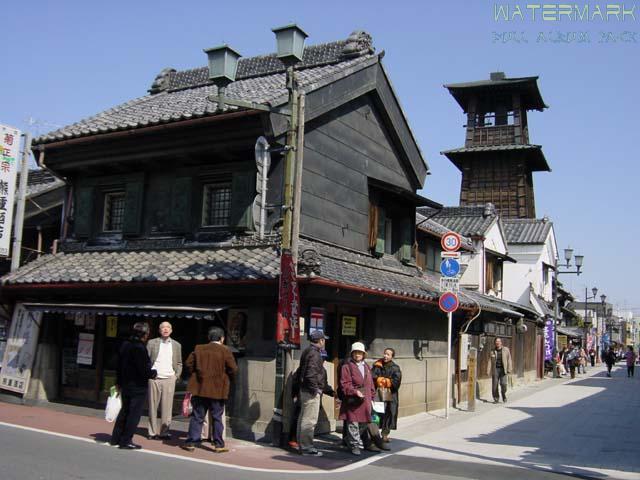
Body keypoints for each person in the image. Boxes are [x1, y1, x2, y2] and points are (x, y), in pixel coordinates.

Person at [182, 326, 237, 453]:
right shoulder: (225, 350)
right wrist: (228, 378)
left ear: (209, 337)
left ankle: (191, 442)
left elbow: (188, 363)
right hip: (218, 389)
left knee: (197, 416)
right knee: (217, 416)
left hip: (200, 388)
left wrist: (195, 374)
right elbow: (233, 369)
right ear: (222, 338)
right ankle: (218, 444)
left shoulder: (199, 348)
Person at [110, 322, 157, 449]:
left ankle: (116, 438)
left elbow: (118, 365)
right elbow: (143, 369)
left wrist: (118, 381)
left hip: (125, 383)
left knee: (124, 411)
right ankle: (126, 440)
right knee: (134, 414)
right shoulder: (140, 348)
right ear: (145, 334)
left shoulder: (125, 344)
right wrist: (153, 373)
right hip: (137, 385)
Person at [289, 348, 335, 450]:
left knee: (307, 420)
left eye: (324, 359)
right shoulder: (307, 367)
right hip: (306, 395)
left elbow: (324, 385)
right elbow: (298, 380)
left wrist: (332, 393)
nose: (323, 361)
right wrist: (295, 394)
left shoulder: (323, 371)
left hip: (315, 396)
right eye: (321, 358)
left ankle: (302, 443)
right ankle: (301, 443)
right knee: (303, 419)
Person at [296, 330, 329, 456]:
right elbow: (311, 375)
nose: (324, 342)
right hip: (310, 391)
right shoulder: (315, 354)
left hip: (304, 389)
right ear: (320, 340)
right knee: (309, 420)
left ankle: (302, 445)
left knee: (303, 418)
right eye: (323, 340)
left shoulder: (307, 351)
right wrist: (316, 390)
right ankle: (307, 447)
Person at [147, 321, 182, 440]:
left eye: (168, 327)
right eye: (163, 327)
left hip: (169, 378)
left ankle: (164, 432)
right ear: (159, 330)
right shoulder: (152, 343)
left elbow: (179, 363)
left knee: (167, 408)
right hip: (154, 379)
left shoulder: (176, 345)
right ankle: (152, 432)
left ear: (171, 330)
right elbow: (147, 360)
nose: (165, 329)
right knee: (152, 406)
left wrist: (176, 376)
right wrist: (149, 374)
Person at [339, 342, 375, 456]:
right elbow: (344, 384)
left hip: (366, 400)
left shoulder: (367, 366)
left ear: (364, 354)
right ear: (352, 354)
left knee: (364, 423)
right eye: (355, 353)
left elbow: (371, 384)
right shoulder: (347, 367)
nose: (358, 355)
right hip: (353, 401)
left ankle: (349, 439)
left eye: (360, 353)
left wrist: (372, 396)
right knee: (353, 423)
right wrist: (354, 391)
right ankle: (354, 445)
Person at [371, 347, 402, 443]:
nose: (385, 356)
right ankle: (373, 434)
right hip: (377, 394)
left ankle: (384, 435)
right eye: (385, 353)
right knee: (375, 413)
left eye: (388, 354)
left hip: (390, 395)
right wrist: (378, 380)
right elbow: (371, 376)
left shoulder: (395, 368)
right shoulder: (377, 365)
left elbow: (397, 382)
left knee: (388, 414)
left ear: (392, 356)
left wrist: (386, 382)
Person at [487, 337, 512, 403]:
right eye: (496, 341)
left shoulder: (506, 350)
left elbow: (509, 359)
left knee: (504, 384)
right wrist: (488, 370)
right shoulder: (492, 351)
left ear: (501, 342)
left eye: (499, 341)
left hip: (503, 370)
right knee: (494, 385)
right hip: (495, 369)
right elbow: (489, 361)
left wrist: (509, 369)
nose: (497, 342)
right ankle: (496, 398)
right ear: (495, 343)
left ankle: (503, 394)